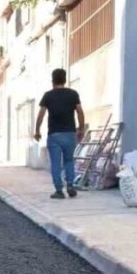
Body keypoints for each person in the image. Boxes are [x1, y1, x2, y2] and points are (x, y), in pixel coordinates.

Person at [34, 68, 86, 199]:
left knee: (55, 163)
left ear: (52, 81)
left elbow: (41, 114)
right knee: (69, 161)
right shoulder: (73, 94)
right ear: (65, 80)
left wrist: (37, 130)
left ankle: (59, 190)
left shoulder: (48, 96)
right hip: (70, 134)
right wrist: (81, 129)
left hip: (54, 135)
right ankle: (70, 185)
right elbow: (80, 111)